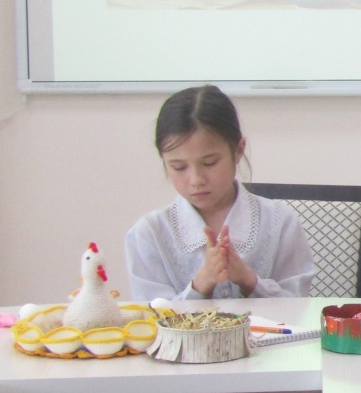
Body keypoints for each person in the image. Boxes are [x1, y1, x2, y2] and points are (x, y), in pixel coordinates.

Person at [125, 84, 314, 300]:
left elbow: (299, 306)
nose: (196, 180)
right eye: (179, 167)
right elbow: (150, 315)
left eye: (210, 163)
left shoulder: (280, 222)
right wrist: (199, 286)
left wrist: (249, 280)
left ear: (238, 150)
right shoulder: (149, 234)